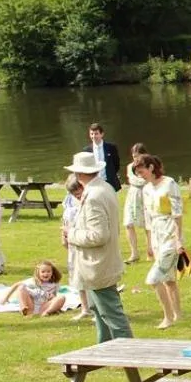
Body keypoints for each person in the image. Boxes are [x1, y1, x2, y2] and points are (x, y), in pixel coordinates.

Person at [63, 150, 132, 343]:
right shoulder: (105, 187)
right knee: (98, 309)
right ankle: (104, 349)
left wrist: (72, 234)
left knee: (112, 313)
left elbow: (98, 235)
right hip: (100, 262)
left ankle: (128, 354)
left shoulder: (94, 195)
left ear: (78, 174)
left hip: (98, 264)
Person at [136, 154, 184, 329]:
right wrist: (149, 243)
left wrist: (178, 240)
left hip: (170, 234)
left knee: (153, 279)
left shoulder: (169, 184)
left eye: (142, 171)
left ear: (150, 167)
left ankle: (168, 317)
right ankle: (178, 315)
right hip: (157, 235)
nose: (140, 175)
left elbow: (178, 214)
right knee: (168, 279)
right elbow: (148, 218)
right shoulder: (146, 189)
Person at [60, 175, 91, 322]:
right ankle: (85, 308)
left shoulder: (89, 201)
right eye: (74, 194)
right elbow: (64, 220)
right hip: (72, 242)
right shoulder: (69, 201)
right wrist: (63, 236)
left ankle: (94, 307)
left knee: (90, 274)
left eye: (79, 193)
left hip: (84, 241)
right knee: (77, 275)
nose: (77, 196)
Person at [123, 142, 150, 263]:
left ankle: (151, 251)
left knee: (147, 225)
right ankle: (134, 253)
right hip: (132, 196)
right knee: (128, 223)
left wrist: (140, 181)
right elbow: (134, 180)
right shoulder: (130, 167)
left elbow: (144, 181)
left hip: (145, 196)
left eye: (138, 156)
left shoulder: (149, 166)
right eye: (134, 156)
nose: (136, 159)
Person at [87, 123, 122, 192]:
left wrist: (111, 174)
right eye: (92, 134)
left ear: (102, 134)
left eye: (96, 133)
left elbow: (116, 164)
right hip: (94, 182)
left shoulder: (111, 147)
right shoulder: (87, 150)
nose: (94, 136)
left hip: (109, 182)